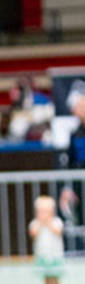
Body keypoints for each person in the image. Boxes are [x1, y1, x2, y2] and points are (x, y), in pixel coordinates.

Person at [58, 83, 85, 229]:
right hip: (80, 185)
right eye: (78, 107)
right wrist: (68, 188)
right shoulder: (75, 134)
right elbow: (69, 161)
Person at [30, 195, 64, 284]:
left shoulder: (56, 222)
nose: (43, 214)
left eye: (46, 211)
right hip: (43, 254)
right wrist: (40, 224)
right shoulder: (35, 223)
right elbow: (33, 233)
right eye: (41, 211)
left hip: (55, 254)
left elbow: (58, 232)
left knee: (55, 275)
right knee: (46, 275)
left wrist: (49, 223)